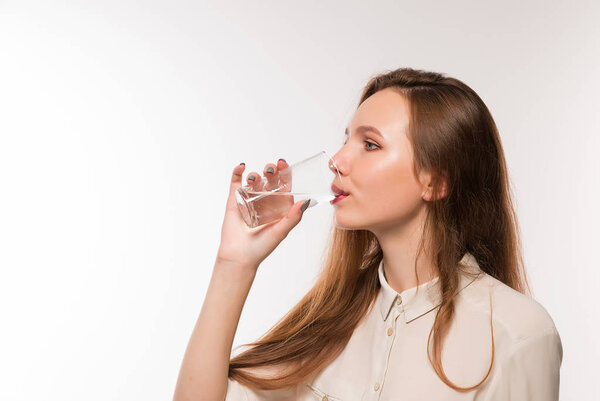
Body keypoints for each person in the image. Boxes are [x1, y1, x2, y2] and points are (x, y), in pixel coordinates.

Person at [173, 68, 563, 401]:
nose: (337, 160)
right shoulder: (328, 324)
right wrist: (234, 263)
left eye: (370, 144)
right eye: (347, 139)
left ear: (436, 181)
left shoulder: (516, 334)